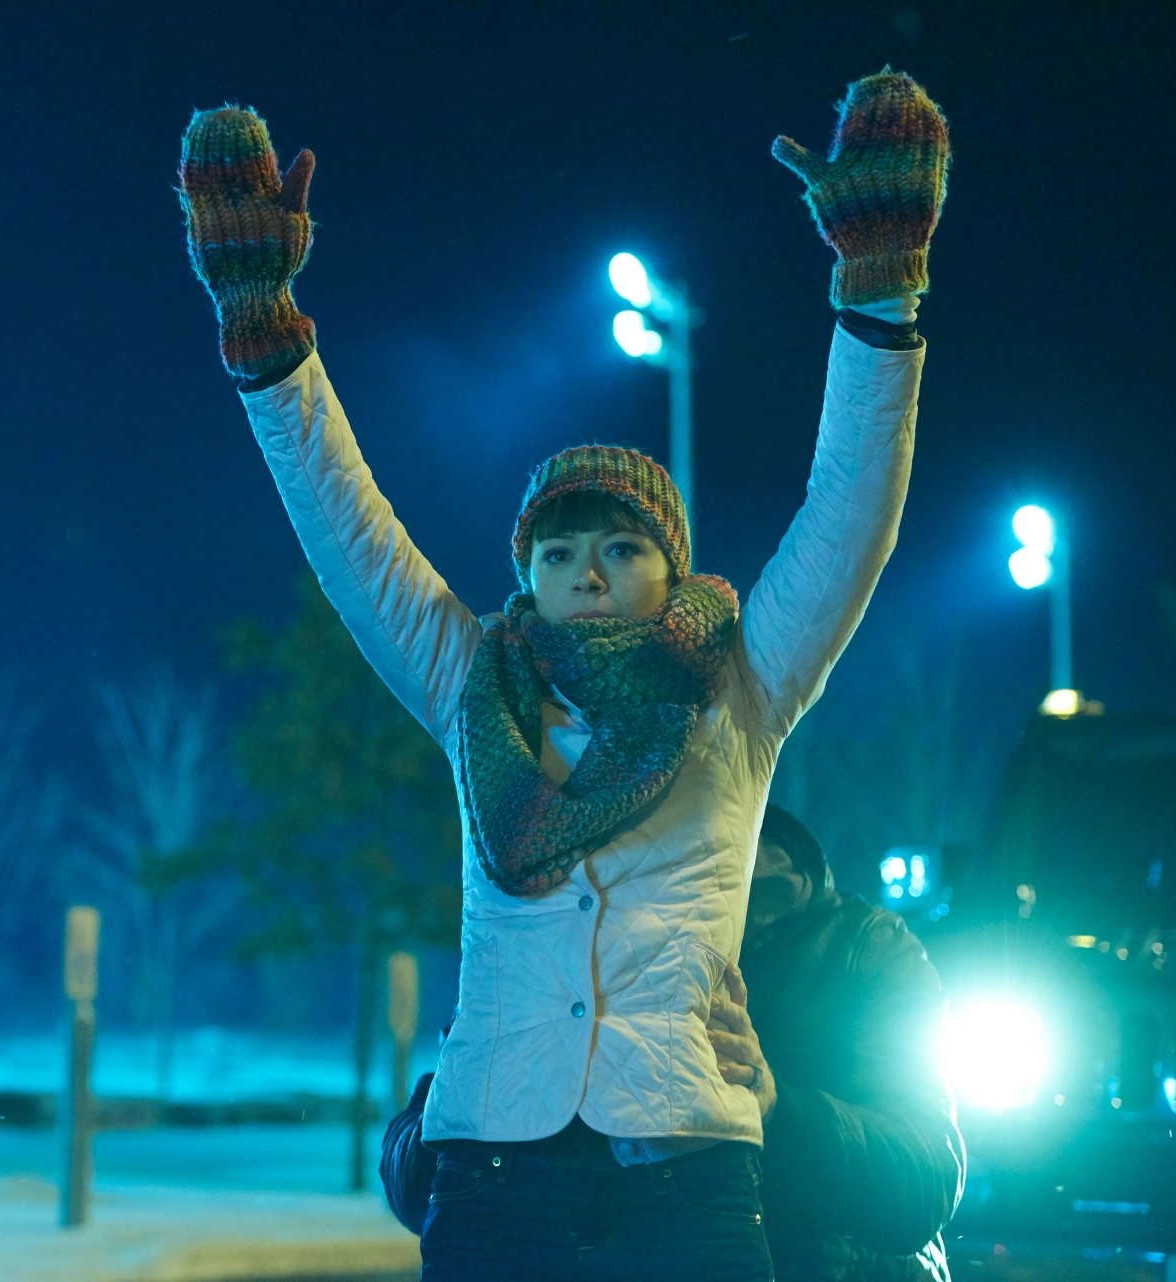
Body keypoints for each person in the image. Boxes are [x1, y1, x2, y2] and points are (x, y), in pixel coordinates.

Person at [177, 69, 948, 1281]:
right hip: (493, 1175)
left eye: (625, 547)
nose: (590, 571)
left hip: (687, 1178)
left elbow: (851, 511)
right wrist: (268, 340)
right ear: (526, 570)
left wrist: (879, 296)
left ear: (669, 566)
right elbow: (348, 528)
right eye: (560, 550)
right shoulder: (470, 681)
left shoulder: (737, 692)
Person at [383, 805, 966, 1282]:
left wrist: (773, 1108)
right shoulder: (562, 951)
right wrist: (476, 1083)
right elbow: (419, 1191)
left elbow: (924, 1183)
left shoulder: (856, 948)